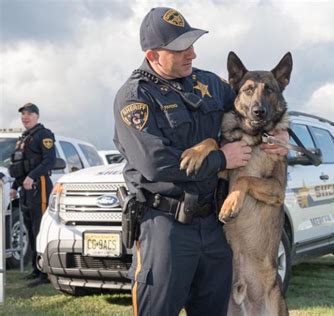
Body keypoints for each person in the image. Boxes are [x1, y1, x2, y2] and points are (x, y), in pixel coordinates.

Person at [113, 7, 288, 316]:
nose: (192, 53)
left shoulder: (208, 84)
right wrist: (222, 158)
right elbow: (156, 164)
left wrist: (282, 135)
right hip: (166, 226)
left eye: (191, 44)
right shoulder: (135, 97)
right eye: (181, 48)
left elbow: (258, 108)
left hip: (213, 225)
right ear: (153, 55)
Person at [9, 102, 56, 286]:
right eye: (23, 115)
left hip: (39, 186)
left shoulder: (44, 135)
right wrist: (14, 185)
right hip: (26, 190)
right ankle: (36, 269)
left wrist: (32, 177)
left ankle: (45, 274)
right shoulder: (23, 138)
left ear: (37, 116)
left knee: (40, 229)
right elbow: (20, 166)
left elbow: (49, 161)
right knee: (30, 229)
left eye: (28, 114)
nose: (25, 118)